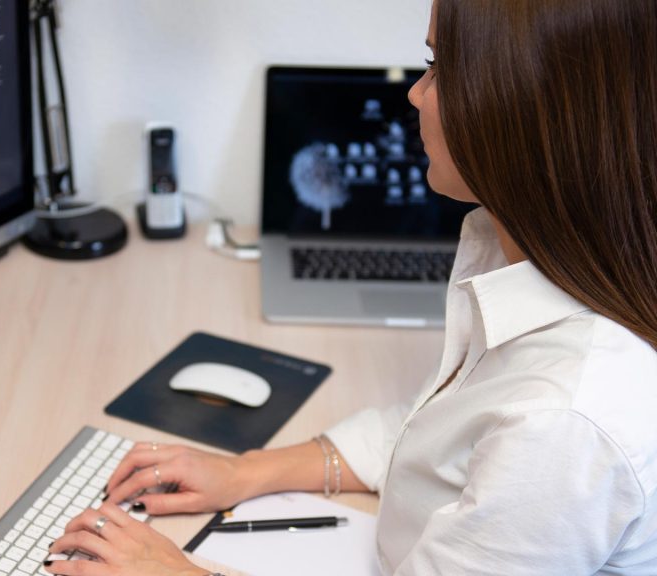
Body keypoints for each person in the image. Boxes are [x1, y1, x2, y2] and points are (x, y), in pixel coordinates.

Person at [44, 0, 657, 573]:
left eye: (438, 68)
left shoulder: (565, 424)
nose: (415, 94)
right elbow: (436, 436)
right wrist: (247, 472)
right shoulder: (524, 253)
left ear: (520, 107)